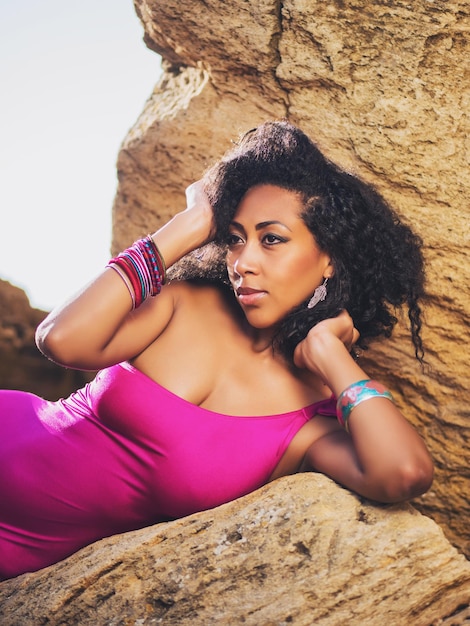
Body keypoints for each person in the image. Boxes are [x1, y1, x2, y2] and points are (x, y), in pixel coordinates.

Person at [0, 120, 433, 580]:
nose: (243, 262)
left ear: (329, 257)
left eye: (271, 239)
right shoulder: (186, 303)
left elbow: (403, 473)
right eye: (233, 238)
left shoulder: (310, 425)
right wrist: (189, 225)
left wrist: (331, 355)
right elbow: (61, 339)